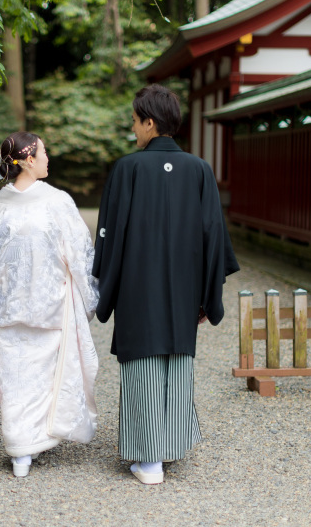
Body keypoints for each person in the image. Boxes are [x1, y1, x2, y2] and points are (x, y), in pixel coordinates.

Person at [92, 84, 240, 485]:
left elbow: (111, 233)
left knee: (142, 362)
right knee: (177, 360)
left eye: (136, 121)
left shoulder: (128, 168)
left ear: (150, 123)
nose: (134, 128)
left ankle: (149, 459)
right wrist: (209, 297)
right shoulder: (199, 169)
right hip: (184, 288)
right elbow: (214, 236)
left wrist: (103, 288)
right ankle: (170, 447)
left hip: (139, 287)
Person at [0, 132, 100, 477]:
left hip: (6, 305)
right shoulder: (58, 202)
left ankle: (19, 448)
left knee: (14, 375)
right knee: (46, 374)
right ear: (29, 160)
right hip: (50, 303)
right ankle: (29, 444)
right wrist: (90, 294)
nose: (49, 159)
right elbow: (80, 253)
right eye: (45, 153)